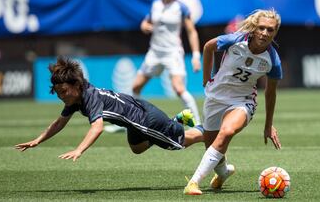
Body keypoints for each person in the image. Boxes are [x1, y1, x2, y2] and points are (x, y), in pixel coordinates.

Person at [15, 57, 204, 161]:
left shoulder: (90, 97)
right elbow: (59, 123)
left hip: (146, 120)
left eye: (64, 91)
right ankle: (177, 119)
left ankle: (213, 131)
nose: (62, 96)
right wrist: (38, 140)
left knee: (183, 141)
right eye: (57, 93)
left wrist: (79, 150)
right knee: (137, 148)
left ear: (76, 85)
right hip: (135, 123)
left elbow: (97, 127)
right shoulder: (76, 99)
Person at [183, 9, 283, 195]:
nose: (264, 33)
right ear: (254, 28)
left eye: (270, 30)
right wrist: (207, 78)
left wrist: (268, 125)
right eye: (261, 28)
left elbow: (270, 93)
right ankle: (224, 172)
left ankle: (193, 183)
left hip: (243, 101)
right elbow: (208, 47)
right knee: (213, 146)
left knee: (226, 132)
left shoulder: (273, 60)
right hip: (215, 98)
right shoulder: (235, 40)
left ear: (275, 32)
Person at [132, 0, 202, 124]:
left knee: (179, 88)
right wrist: (145, 26)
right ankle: (133, 121)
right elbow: (145, 23)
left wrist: (196, 56)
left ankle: (197, 124)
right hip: (154, 52)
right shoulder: (156, 4)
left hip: (173, 53)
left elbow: (192, 32)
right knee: (136, 86)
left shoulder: (181, 7)